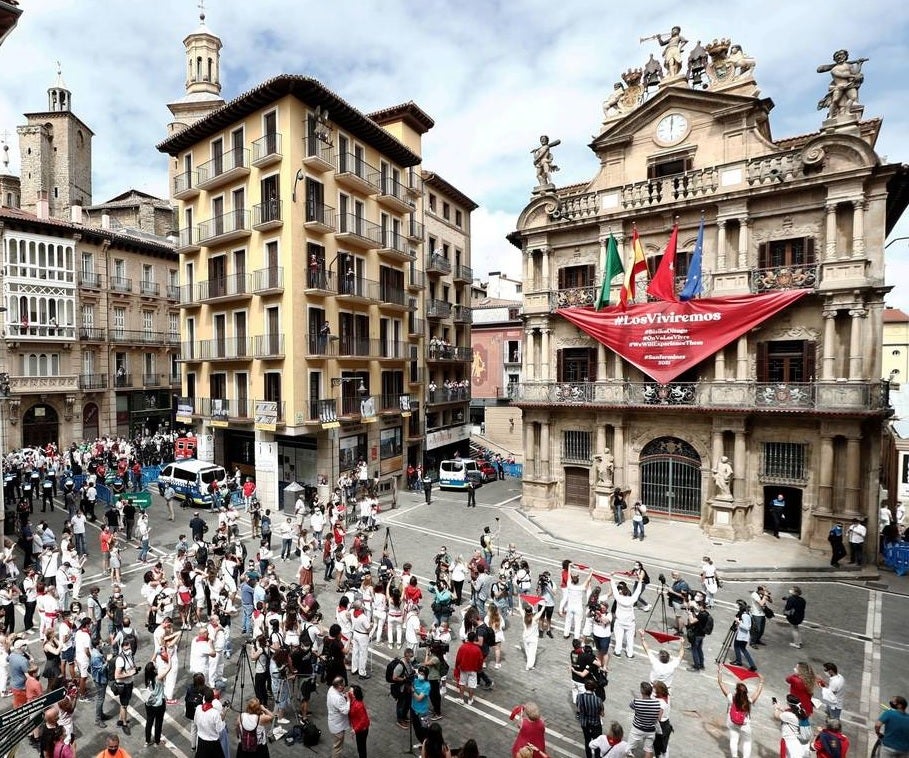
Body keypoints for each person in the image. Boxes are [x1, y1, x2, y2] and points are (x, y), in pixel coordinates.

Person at [716, 664, 764, 758]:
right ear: (746, 693)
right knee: (747, 742)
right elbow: (758, 692)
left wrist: (720, 671)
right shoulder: (749, 701)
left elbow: (721, 683)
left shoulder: (731, 698)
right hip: (745, 725)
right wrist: (761, 681)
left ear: (736, 691)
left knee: (734, 739)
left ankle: (734, 756)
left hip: (732, 722)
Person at [817, 49, 868, 118]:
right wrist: (853, 76)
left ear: (845, 57)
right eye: (837, 56)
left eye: (841, 55)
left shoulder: (849, 66)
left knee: (853, 97)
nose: (839, 57)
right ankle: (830, 116)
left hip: (849, 85)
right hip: (839, 86)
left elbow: (855, 73)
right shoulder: (834, 69)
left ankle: (847, 112)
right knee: (835, 100)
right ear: (835, 59)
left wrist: (859, 64)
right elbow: (842, 75)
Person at [627, 681, 661, 758]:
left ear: (641, 691)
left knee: (629, 748)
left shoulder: (636, 702)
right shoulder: (657, 703)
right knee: (648, 749)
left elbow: (631, 706)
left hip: (637, 728)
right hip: (650, 730)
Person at [774, 693, 811, 758]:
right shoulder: (802, 712)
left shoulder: (789, 715)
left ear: (789, 704)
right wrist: (781, 708)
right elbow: (788, 711)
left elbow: (776, 716)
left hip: (788, 740)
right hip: (798, 741)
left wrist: (776, 708)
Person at [193, 687, 227, 758]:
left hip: (201, 740)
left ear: (204, 698)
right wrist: (223, 716)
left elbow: (195, 722)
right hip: (212, 743)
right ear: (212, 698)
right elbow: (219, 729)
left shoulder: (198, 708)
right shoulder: (214, 713)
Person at [142, 658, 169, 746]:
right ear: (154, 669)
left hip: (149, 704)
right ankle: (157, 740)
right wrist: (169, 657)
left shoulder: (147, 678)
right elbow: (169, 668)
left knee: (149, 722)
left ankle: (147, 740)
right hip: (159, 704)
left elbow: (150, 665)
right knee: (158, 723)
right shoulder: (158, 678)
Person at [575, 679, 604, 758]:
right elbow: (602, 713)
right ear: (594, 689)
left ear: (585, 687)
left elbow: (578, 708)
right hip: (596, 724)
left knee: (587, 741)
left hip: (585, 723)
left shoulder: (579, 697)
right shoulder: (598, 700)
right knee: (597, 742)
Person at [327, 676, 350, 758]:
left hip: (333, 722)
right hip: (338, 726)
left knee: (336, 744)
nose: (344, 687)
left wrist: (342, 693)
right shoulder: (338, 699)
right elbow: (345, 710)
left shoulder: (331, 689)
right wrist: (348, 699)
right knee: (338, 747)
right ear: (339, 686)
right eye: (343, 685)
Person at [730, 599, 757, 672]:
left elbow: (747, 627)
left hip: (742, 635)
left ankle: (739, 661)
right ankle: (752, 665)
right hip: (743, 635)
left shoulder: (744, 615)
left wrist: (738, 621)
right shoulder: (747, 613)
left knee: (737, 647)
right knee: (743, 649)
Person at [348, 685, 370, 758]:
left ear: (354, 695)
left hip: (361, 730)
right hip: (358, 728)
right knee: (360, 746)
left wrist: (355, 730)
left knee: (361, 748)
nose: (348, 692)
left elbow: (364, 720)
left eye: (350, 692)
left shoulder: (359, 705)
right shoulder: (352, 700)